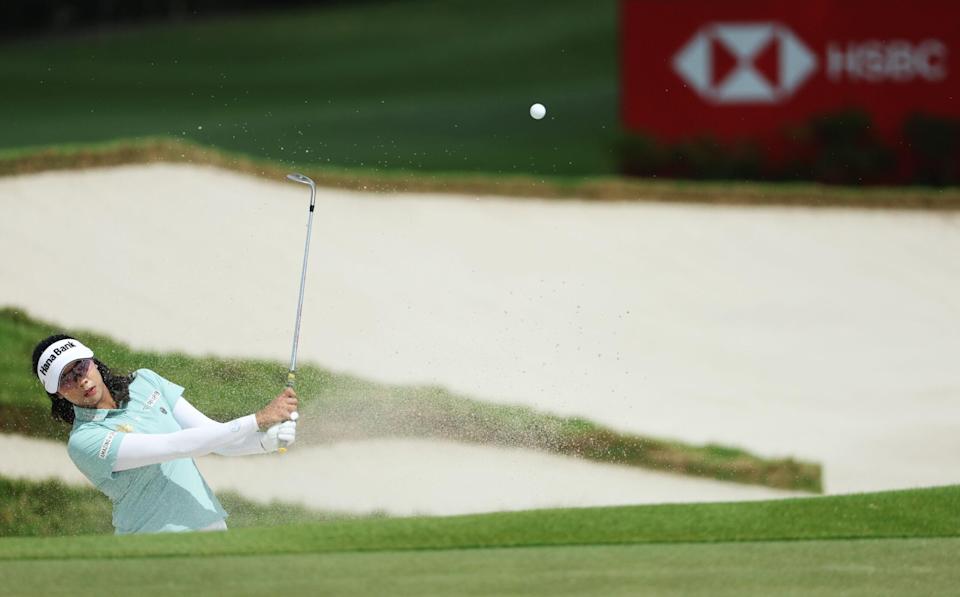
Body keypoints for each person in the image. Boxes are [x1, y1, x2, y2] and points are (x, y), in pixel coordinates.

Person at [31, 334, 299, 535]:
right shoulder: (85, 441)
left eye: (81, 367)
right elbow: (176, 445)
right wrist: (257, 419)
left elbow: (213, 436)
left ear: (94, 362)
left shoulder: (145, 381)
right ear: (57, 393)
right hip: (154, 544)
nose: (81, 380)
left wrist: (265, 441)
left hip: (211, 525)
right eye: (66, 379)